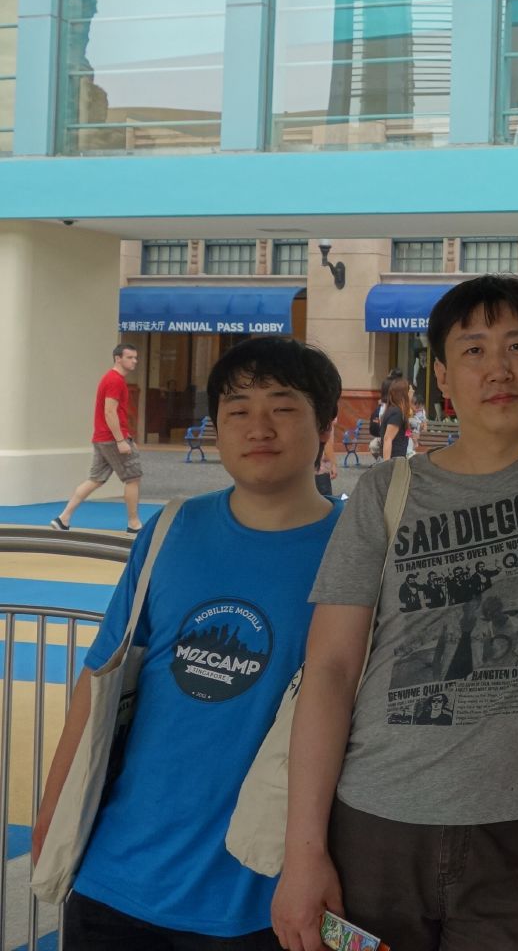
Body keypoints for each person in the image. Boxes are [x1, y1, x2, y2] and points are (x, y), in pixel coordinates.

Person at [273, 275, 518, 951]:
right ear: (444, 376)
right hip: (377, 822)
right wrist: (305, 851)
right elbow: (330, 669)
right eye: (474, 351)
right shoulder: (387, 492)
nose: (499, 369)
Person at [34, 337, 344, 949]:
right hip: (117, 879)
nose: (259, 427)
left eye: (283, 407)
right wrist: (52, 818)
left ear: (325, 427)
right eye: (237, 410)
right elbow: (98, 682)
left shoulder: (356, 550)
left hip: (263, 896)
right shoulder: (172, 529)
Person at [53, 343, 145, 534]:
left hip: (102, 438)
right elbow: (110, 411)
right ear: (118, 358)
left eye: (135, 357)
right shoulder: (115, 380)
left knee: (95, 479)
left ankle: (63, 518)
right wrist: (121, 440)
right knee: (133, 478)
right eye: (130, 357)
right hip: (112, 438)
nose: (134, 361)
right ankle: (134, 524)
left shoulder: (111, 379)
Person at [378, 377, 413, 461]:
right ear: (404, 394)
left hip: (400, 458)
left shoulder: (400, 411)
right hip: (395, 461)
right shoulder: (396, 412)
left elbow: (404, 433)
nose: (412, 393)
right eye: (410, 391)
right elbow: (388, 438)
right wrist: (386, 464)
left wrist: (410, 436)